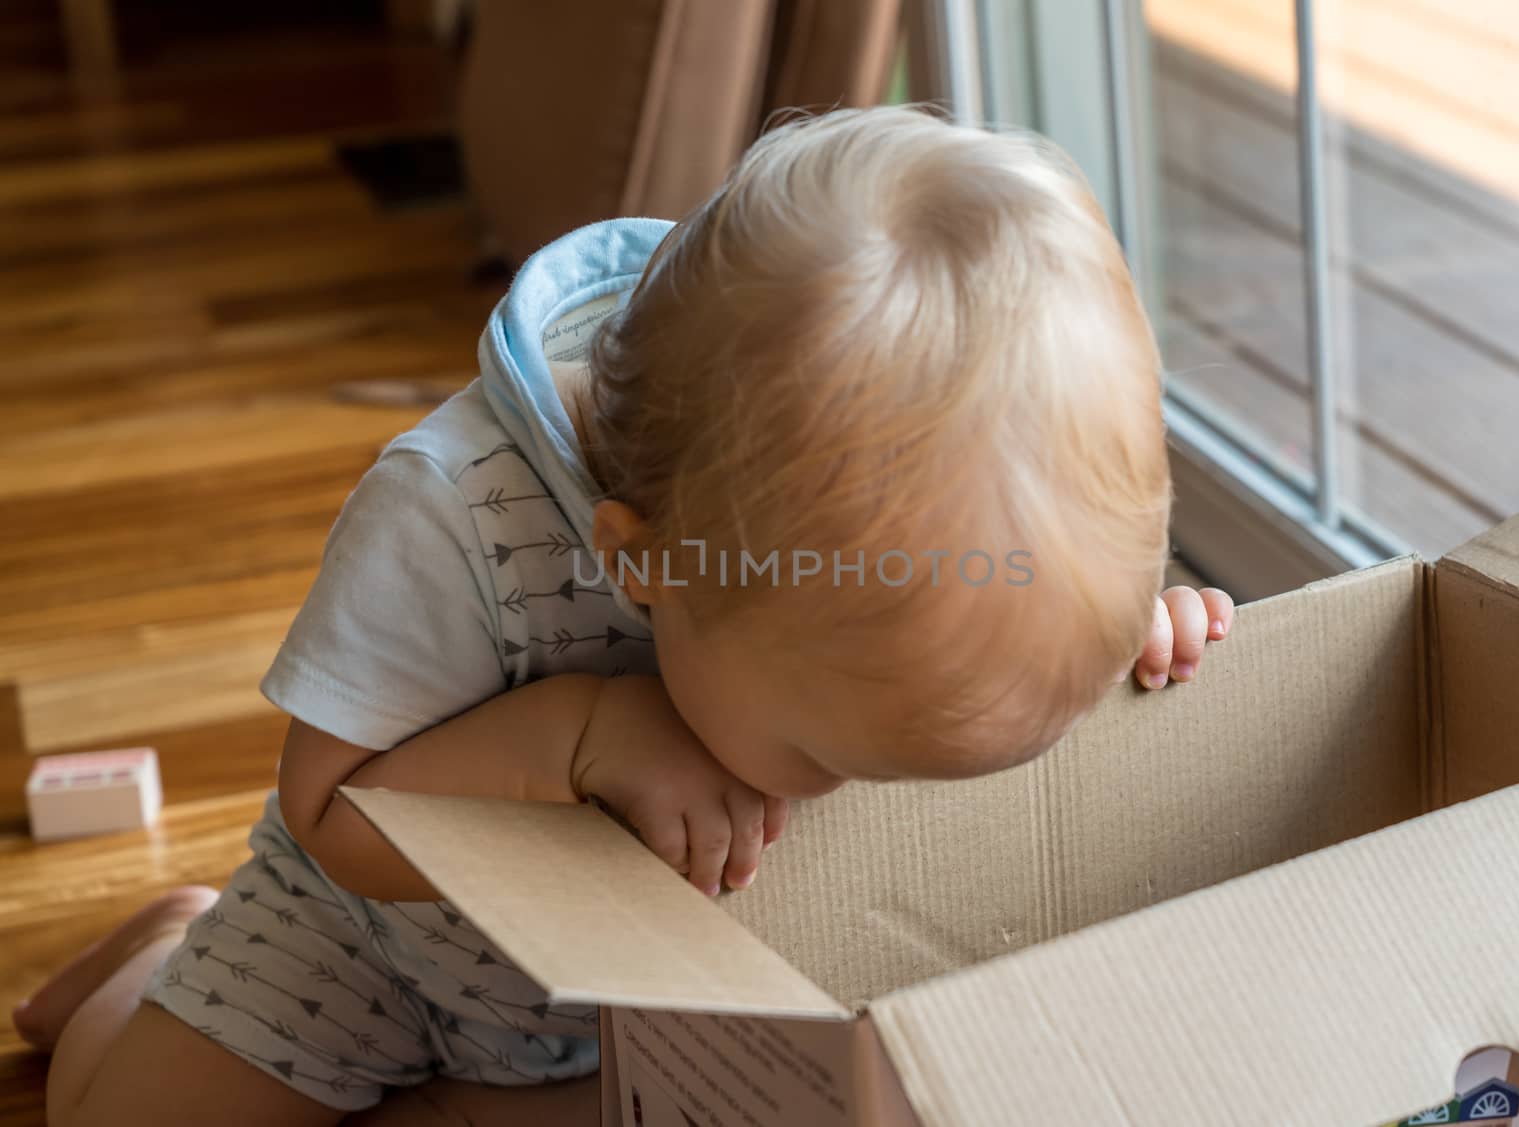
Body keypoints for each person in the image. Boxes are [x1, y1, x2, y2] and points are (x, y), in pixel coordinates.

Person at [18, 106, 1233, 1126]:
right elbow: (328, 810)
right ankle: (153, 957)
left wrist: (1106, 634)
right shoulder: (447, 515)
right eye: (823, 759)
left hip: (632, 987)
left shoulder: (862, 567)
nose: (837, 794)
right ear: (639, 565)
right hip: (374, 949)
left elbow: (990, 617)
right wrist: (577, 735)